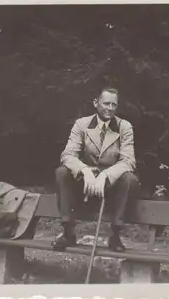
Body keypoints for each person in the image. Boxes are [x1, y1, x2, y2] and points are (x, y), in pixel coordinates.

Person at [52, 87, 139, 252]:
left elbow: (128, 161)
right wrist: (84, 171)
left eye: (114, 105)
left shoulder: (124, 127)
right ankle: (68, 231)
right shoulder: (82, 124)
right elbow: (68, 155)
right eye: (106, 103)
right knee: (62, 172)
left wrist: (106, 175)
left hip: (110, 185)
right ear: (96, 103)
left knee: (130, 179)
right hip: (86, 184)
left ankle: (115, 235)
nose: (110, 108)